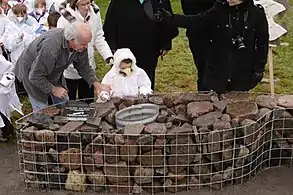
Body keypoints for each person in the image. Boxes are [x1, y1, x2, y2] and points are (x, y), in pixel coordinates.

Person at [157, 0, 269, 94]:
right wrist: (171, 18)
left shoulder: (256, 14)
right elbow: (196, 20)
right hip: (218, 73)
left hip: (242, 73)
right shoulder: (219, 10)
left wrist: (259, 68)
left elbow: (262, 44)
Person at [14, 22, 111, 111]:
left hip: (52, 71)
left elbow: (83, 66)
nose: (86, 47)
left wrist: (97, 84)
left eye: (87, 44)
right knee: (42, 110)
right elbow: (35, 76)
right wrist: (53, 89)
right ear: (71, 40)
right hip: (31, 72)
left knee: (64, 102)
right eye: (84, 44)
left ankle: (64, 122)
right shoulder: (51, 49)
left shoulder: (80, 44)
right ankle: (42, 126)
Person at [103, 0, 179, 90]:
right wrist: (112, 46)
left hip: (150, 47)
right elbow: (110, 22)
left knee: (146, 79)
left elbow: (167, 19)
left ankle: (146, 99)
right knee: (124, 80)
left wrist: (166, 43)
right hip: (125, 47)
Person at [57, 0, 113, 103]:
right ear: (76, 4)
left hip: (88, 66)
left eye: (89, 3)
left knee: (88, 102)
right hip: (69, 70)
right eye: (83, 4)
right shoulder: (65, 19)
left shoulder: (95, 13)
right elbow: (60, 44)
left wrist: (108, 56)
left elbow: (99, 36)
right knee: (69, 103)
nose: (87, 7)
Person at [180, 0, 215, 91]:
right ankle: (204, 99)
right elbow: (188, 10)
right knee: (204, 71)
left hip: (221, 30)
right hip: (198, 33)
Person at [0, 55, 23, 141]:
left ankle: (8, 132)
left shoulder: (1, 61)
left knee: (3, 111)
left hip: (2, 90)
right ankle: (8, 131)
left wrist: (3, 84)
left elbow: (9, 70)